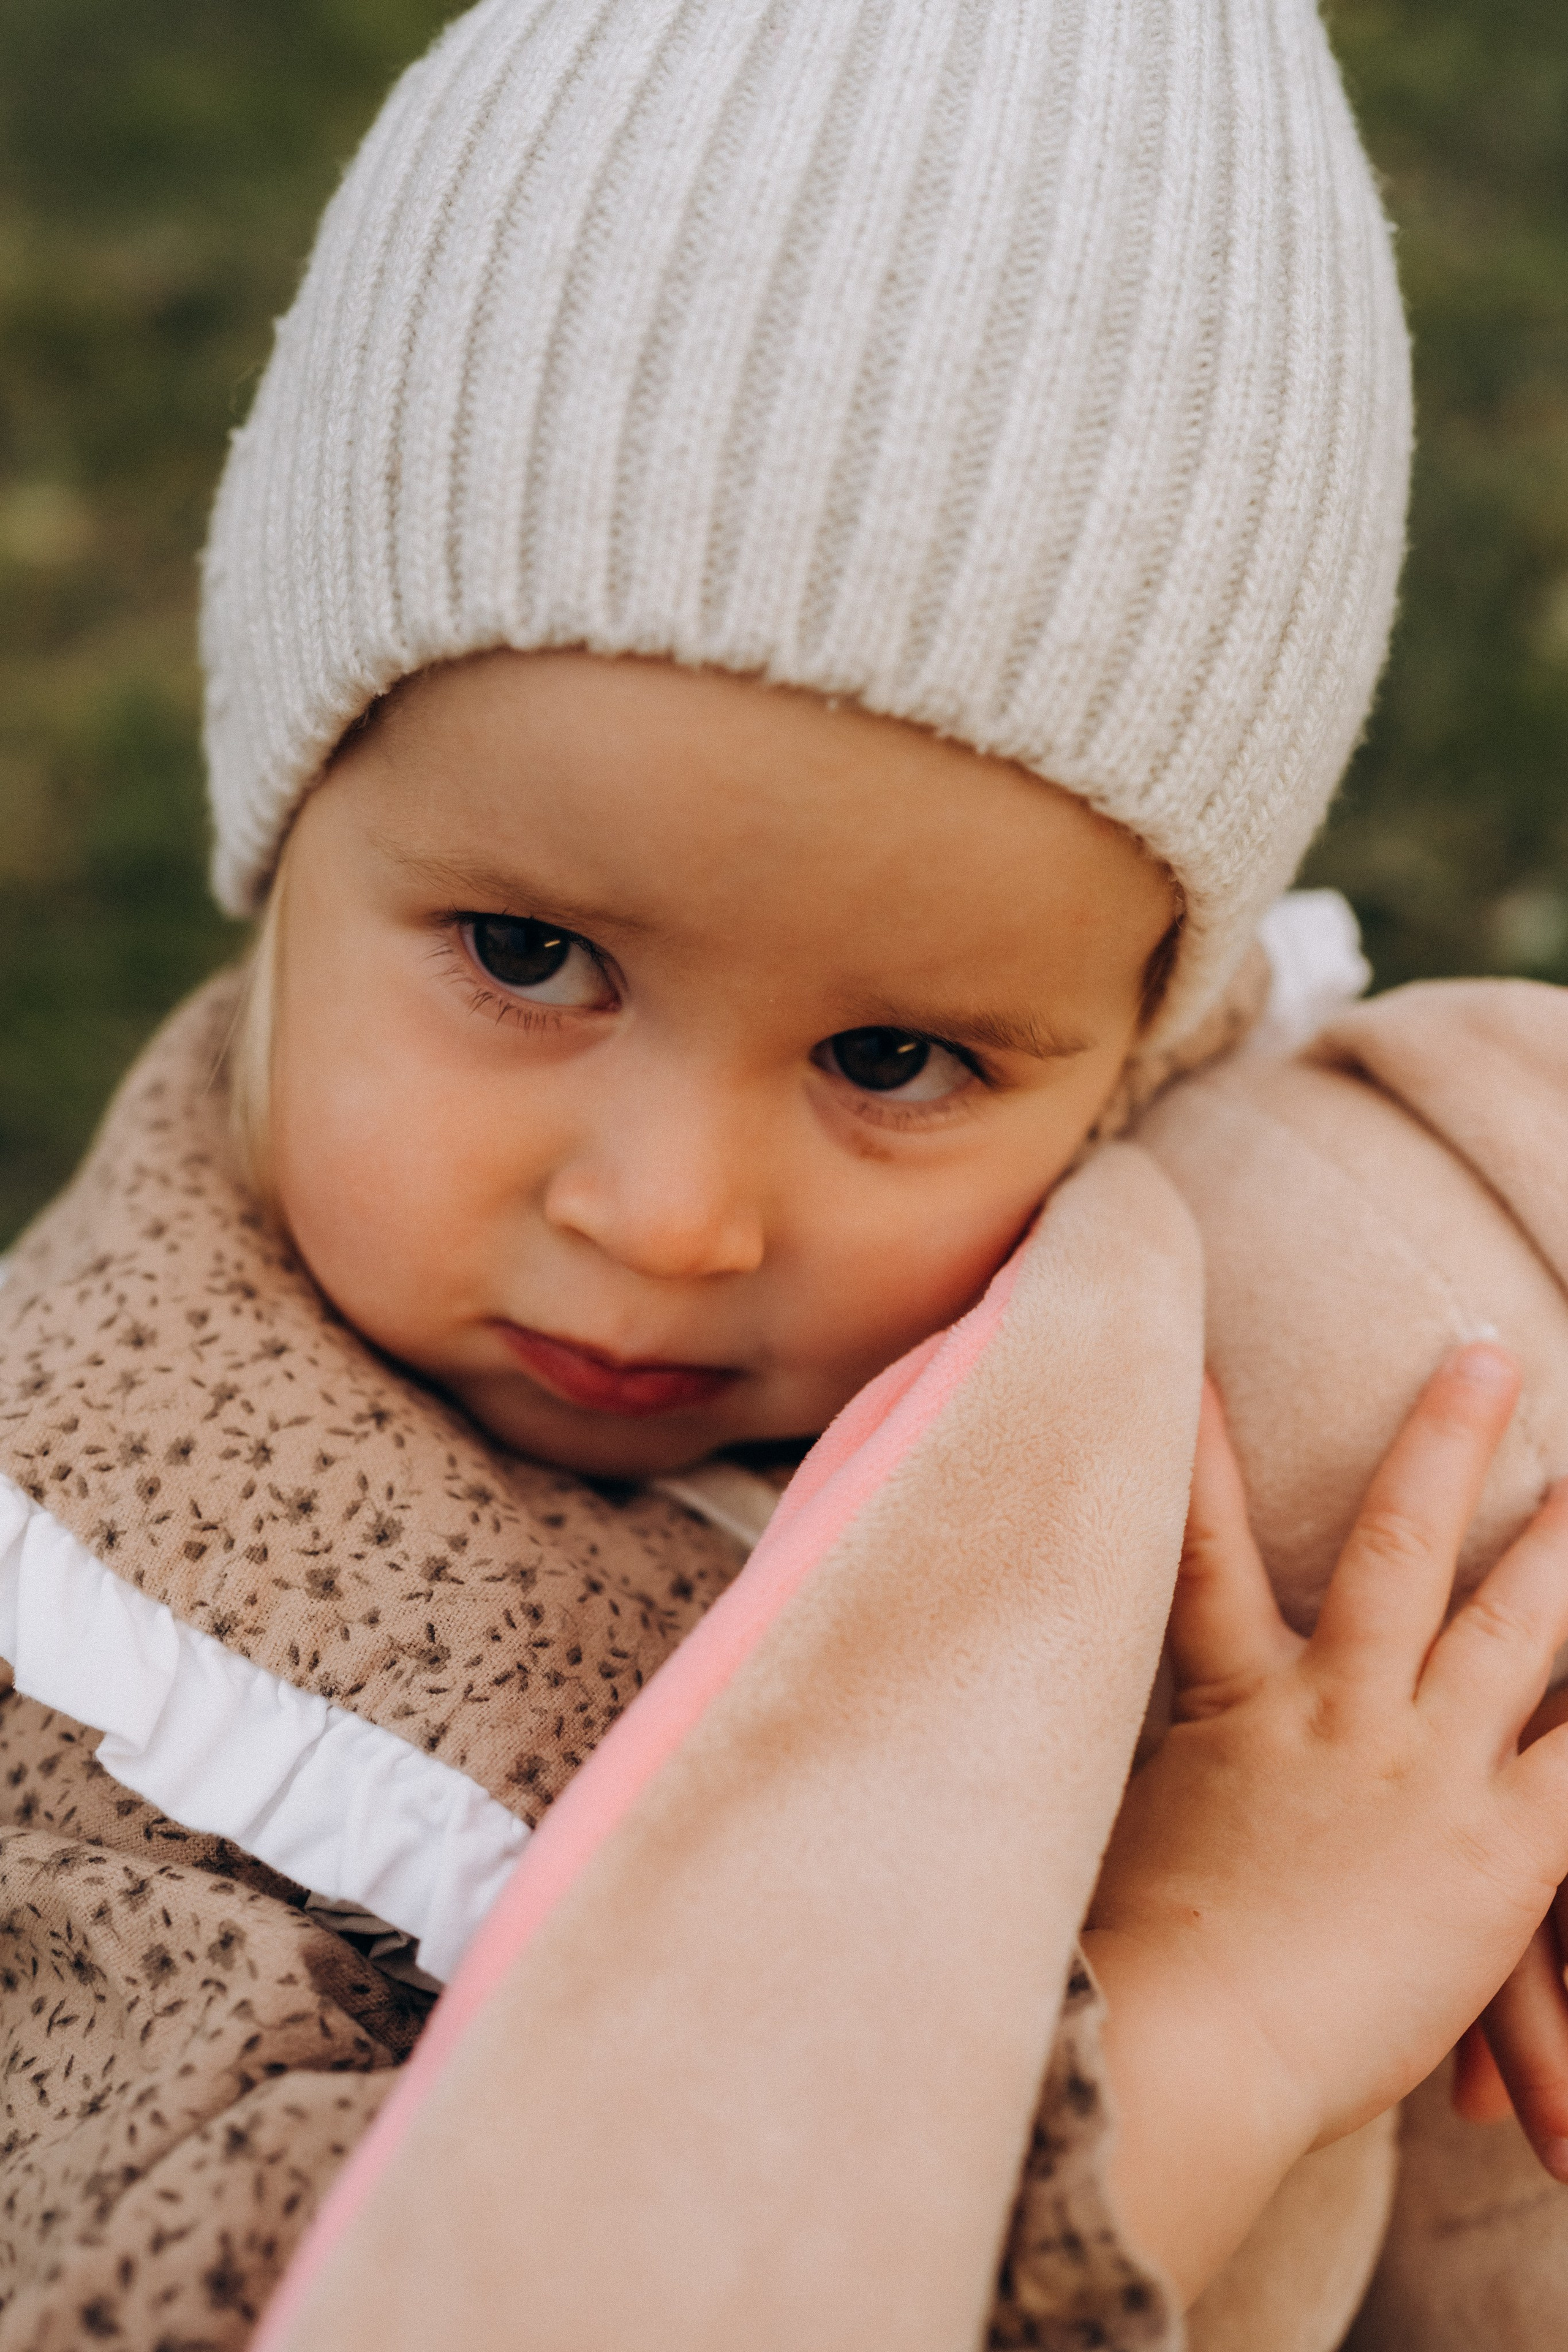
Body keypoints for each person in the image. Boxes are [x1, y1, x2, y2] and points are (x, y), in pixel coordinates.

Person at [1, 3, 1565, 2345]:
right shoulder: (98, 1651)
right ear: (286, 818)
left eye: (896, 1055)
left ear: (1141, 1033)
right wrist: (1216, 2005)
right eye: (530, 954)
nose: (669, 1219)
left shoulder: (1248, 1236)